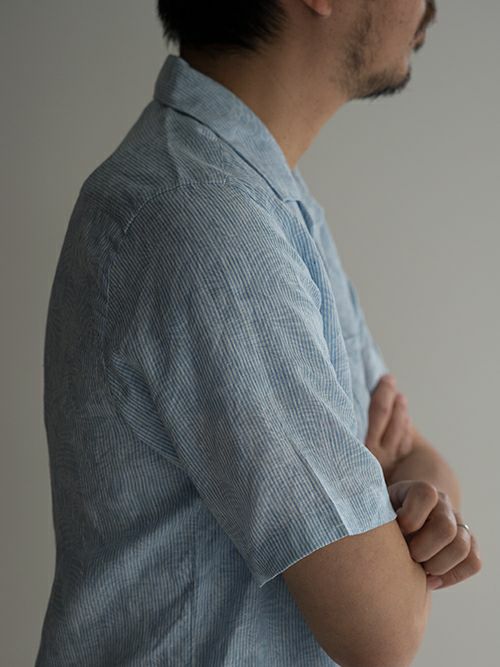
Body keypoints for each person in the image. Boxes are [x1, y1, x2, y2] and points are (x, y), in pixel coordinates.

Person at [35, 1, 481, 665]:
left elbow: (416, 450)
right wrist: (378, 501)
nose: (430, 8)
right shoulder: (205, 222)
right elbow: (382, 629)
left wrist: (406, 507)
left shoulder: (265, 201)